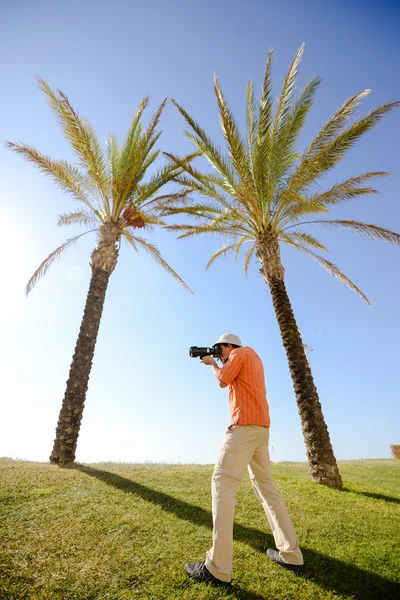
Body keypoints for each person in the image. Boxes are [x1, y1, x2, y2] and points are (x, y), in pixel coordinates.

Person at [184, 333, 304, 586]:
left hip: (244, 429)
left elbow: (223, 381)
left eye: (220, 349)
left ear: (230, 345)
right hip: (261, 429)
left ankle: (217, 569)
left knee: (222, 484)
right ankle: (291, 554)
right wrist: (217, 361)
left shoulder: (239, 354)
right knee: (267, 490)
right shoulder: (255, 357)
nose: (218, 352)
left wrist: (213, 365)